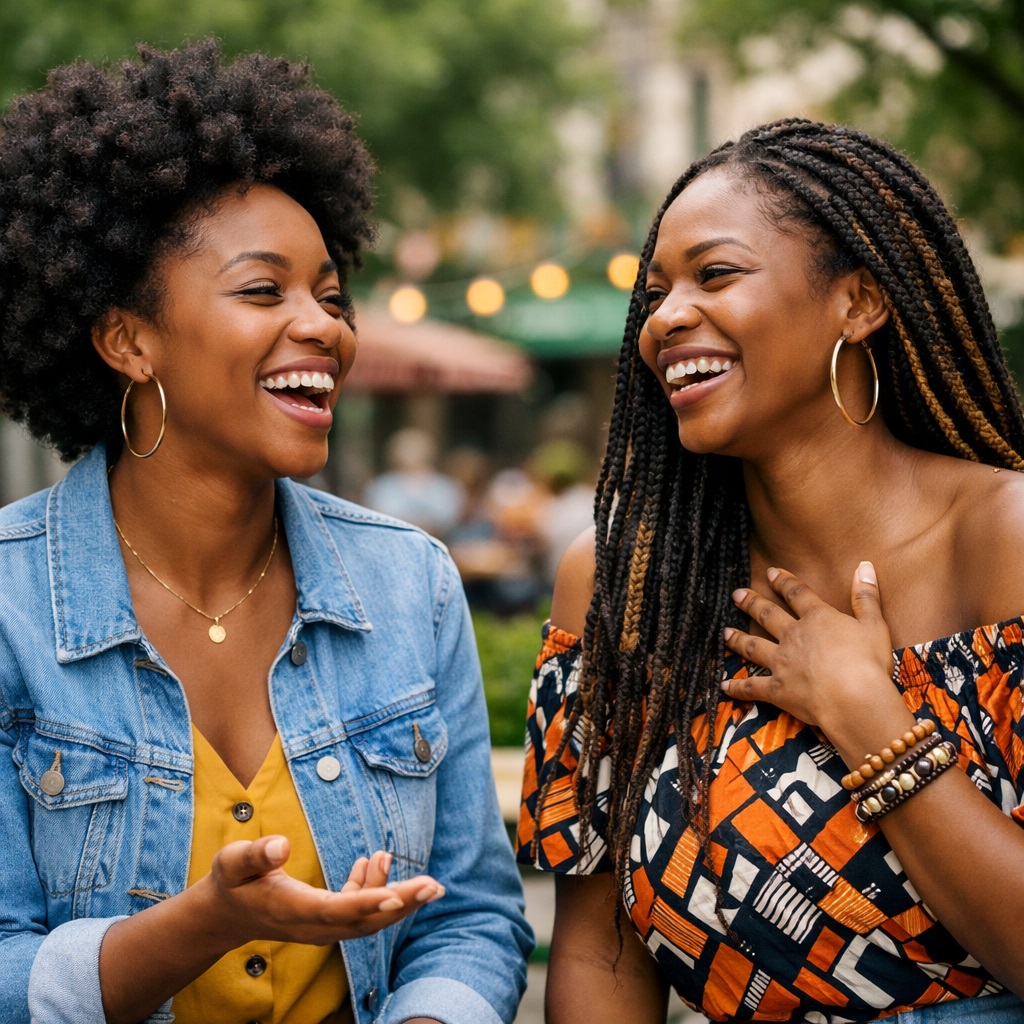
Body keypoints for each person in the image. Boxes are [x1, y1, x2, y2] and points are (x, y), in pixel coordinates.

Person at [0, 41, 531, 1024]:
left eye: (331, 295)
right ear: (128, 340)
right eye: (263, 291)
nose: (325, 327)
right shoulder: (9, 604)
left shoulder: (408, 582)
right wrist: (201, 923)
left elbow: (472, 917)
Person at [517, 119, 1024, 1023]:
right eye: (655, 293)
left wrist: (869, 717)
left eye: (715, 275)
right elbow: (599, 954)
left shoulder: (1005, 541)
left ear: (858, 303)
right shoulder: (625, 583)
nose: (665, 318)